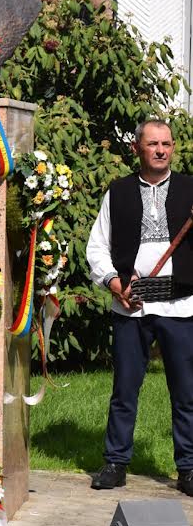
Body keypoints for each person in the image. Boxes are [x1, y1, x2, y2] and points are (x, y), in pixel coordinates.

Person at [86, 118, 193, 497]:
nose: (161, 150)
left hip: (181, 306)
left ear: (173, 147)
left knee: (187, 393)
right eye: (153, 144)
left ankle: (189, 468)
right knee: (124, 390)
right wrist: (113, 283)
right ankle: (115, 463)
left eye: (166, 143)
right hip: (132, 306)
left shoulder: (190, 189)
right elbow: (97, 246)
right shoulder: (118, 192)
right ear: (137, 149)